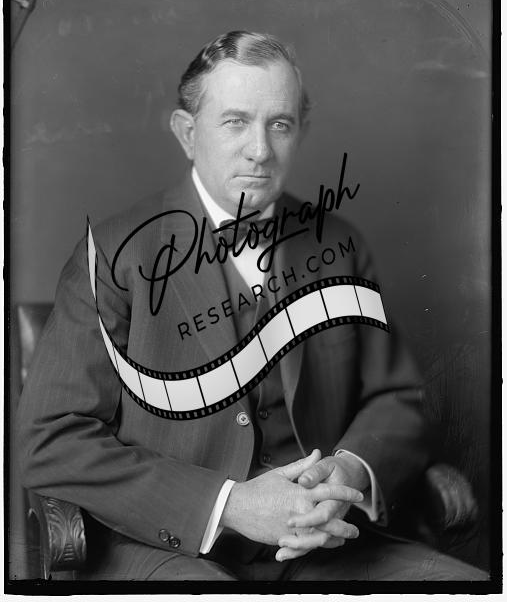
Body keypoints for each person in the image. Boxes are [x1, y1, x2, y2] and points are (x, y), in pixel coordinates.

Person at [16, 30, 486, 581]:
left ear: (301, 131)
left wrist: (349, 471)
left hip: (325, 546)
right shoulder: (114, 255)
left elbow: (396, 397)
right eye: (235, 122)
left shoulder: (339, 244)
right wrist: (229, 505)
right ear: (187, 133)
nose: (260, 150)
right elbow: (50, 439)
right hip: (168, 553)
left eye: (279, 124)